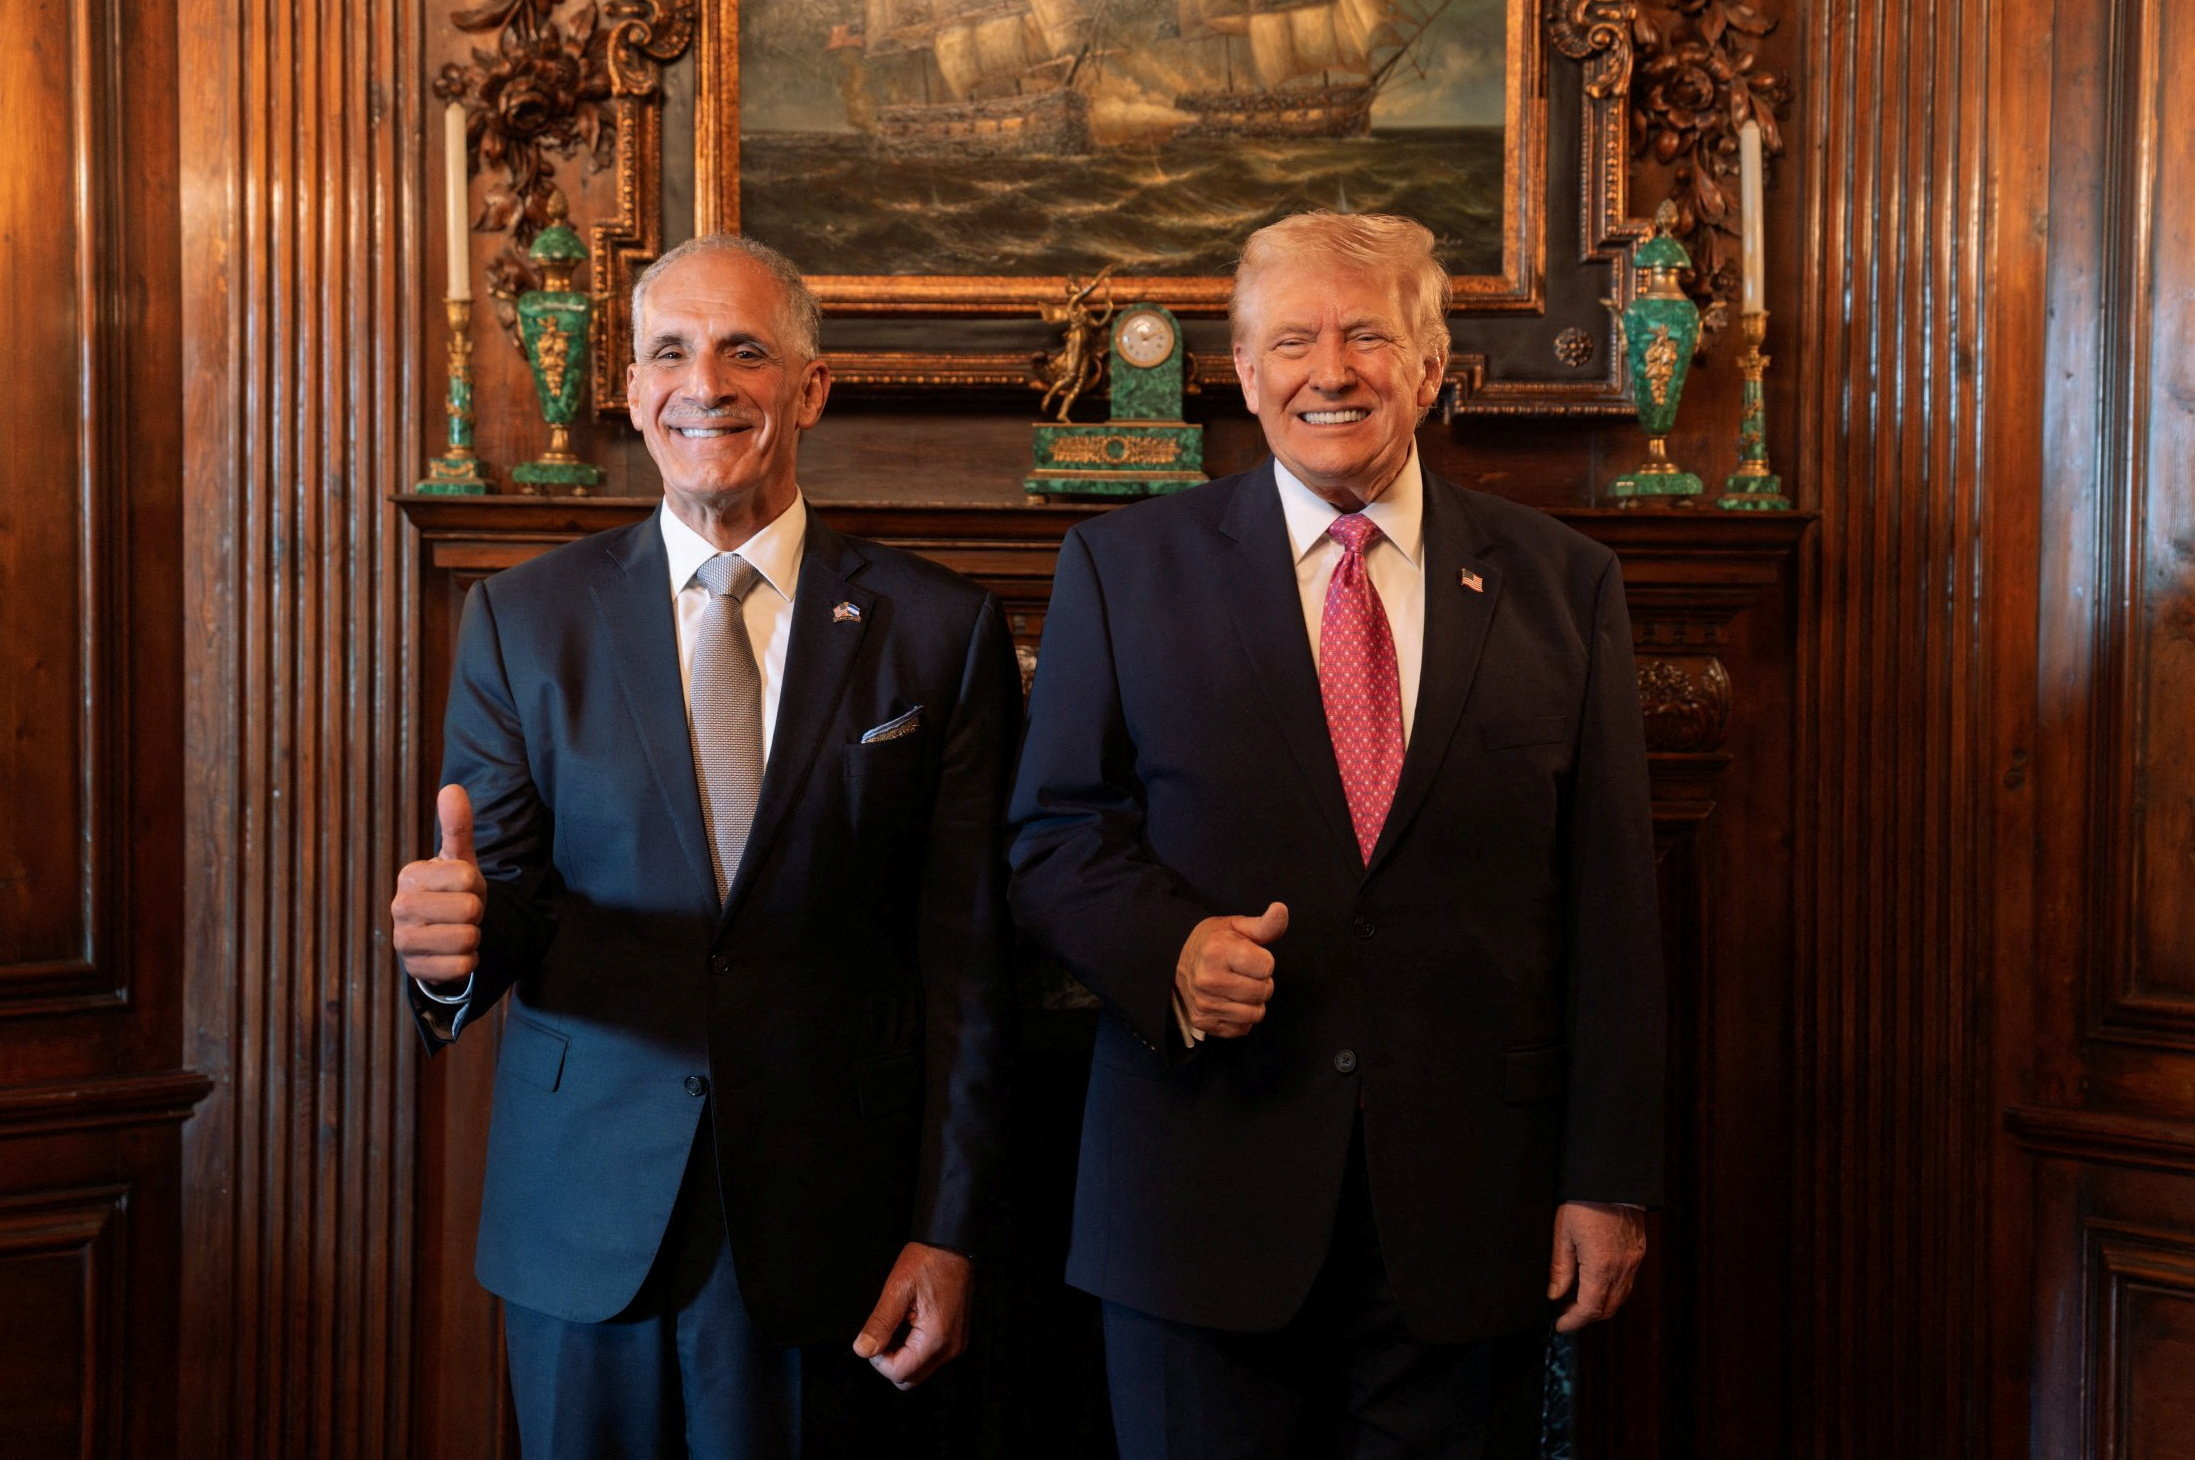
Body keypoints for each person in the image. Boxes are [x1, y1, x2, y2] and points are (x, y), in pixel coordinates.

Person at [1007, 211, 1665, 1457]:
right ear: (1243, 369)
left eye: (1366, 334)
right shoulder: (1120, 568)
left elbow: (1611, 903)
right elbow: (1050, 834)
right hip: (1196, 1198)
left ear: (1429, 364)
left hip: (1471, 1213)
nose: (1331, 371)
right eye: (1293, 340)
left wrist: (1607, 1176)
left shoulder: (1561, 581)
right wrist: (1167, 950)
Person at [390, 233, 1019, 1457]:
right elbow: (505, 893)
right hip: (582, 1213)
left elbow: (967, 962)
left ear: (811, 388)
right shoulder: (522, 618)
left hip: (829, 1224)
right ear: (633, 390)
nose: (704, 384)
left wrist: (948, 1229)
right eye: (670, 353)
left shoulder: (937, 631)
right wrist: (450, 949)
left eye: (744, 352)